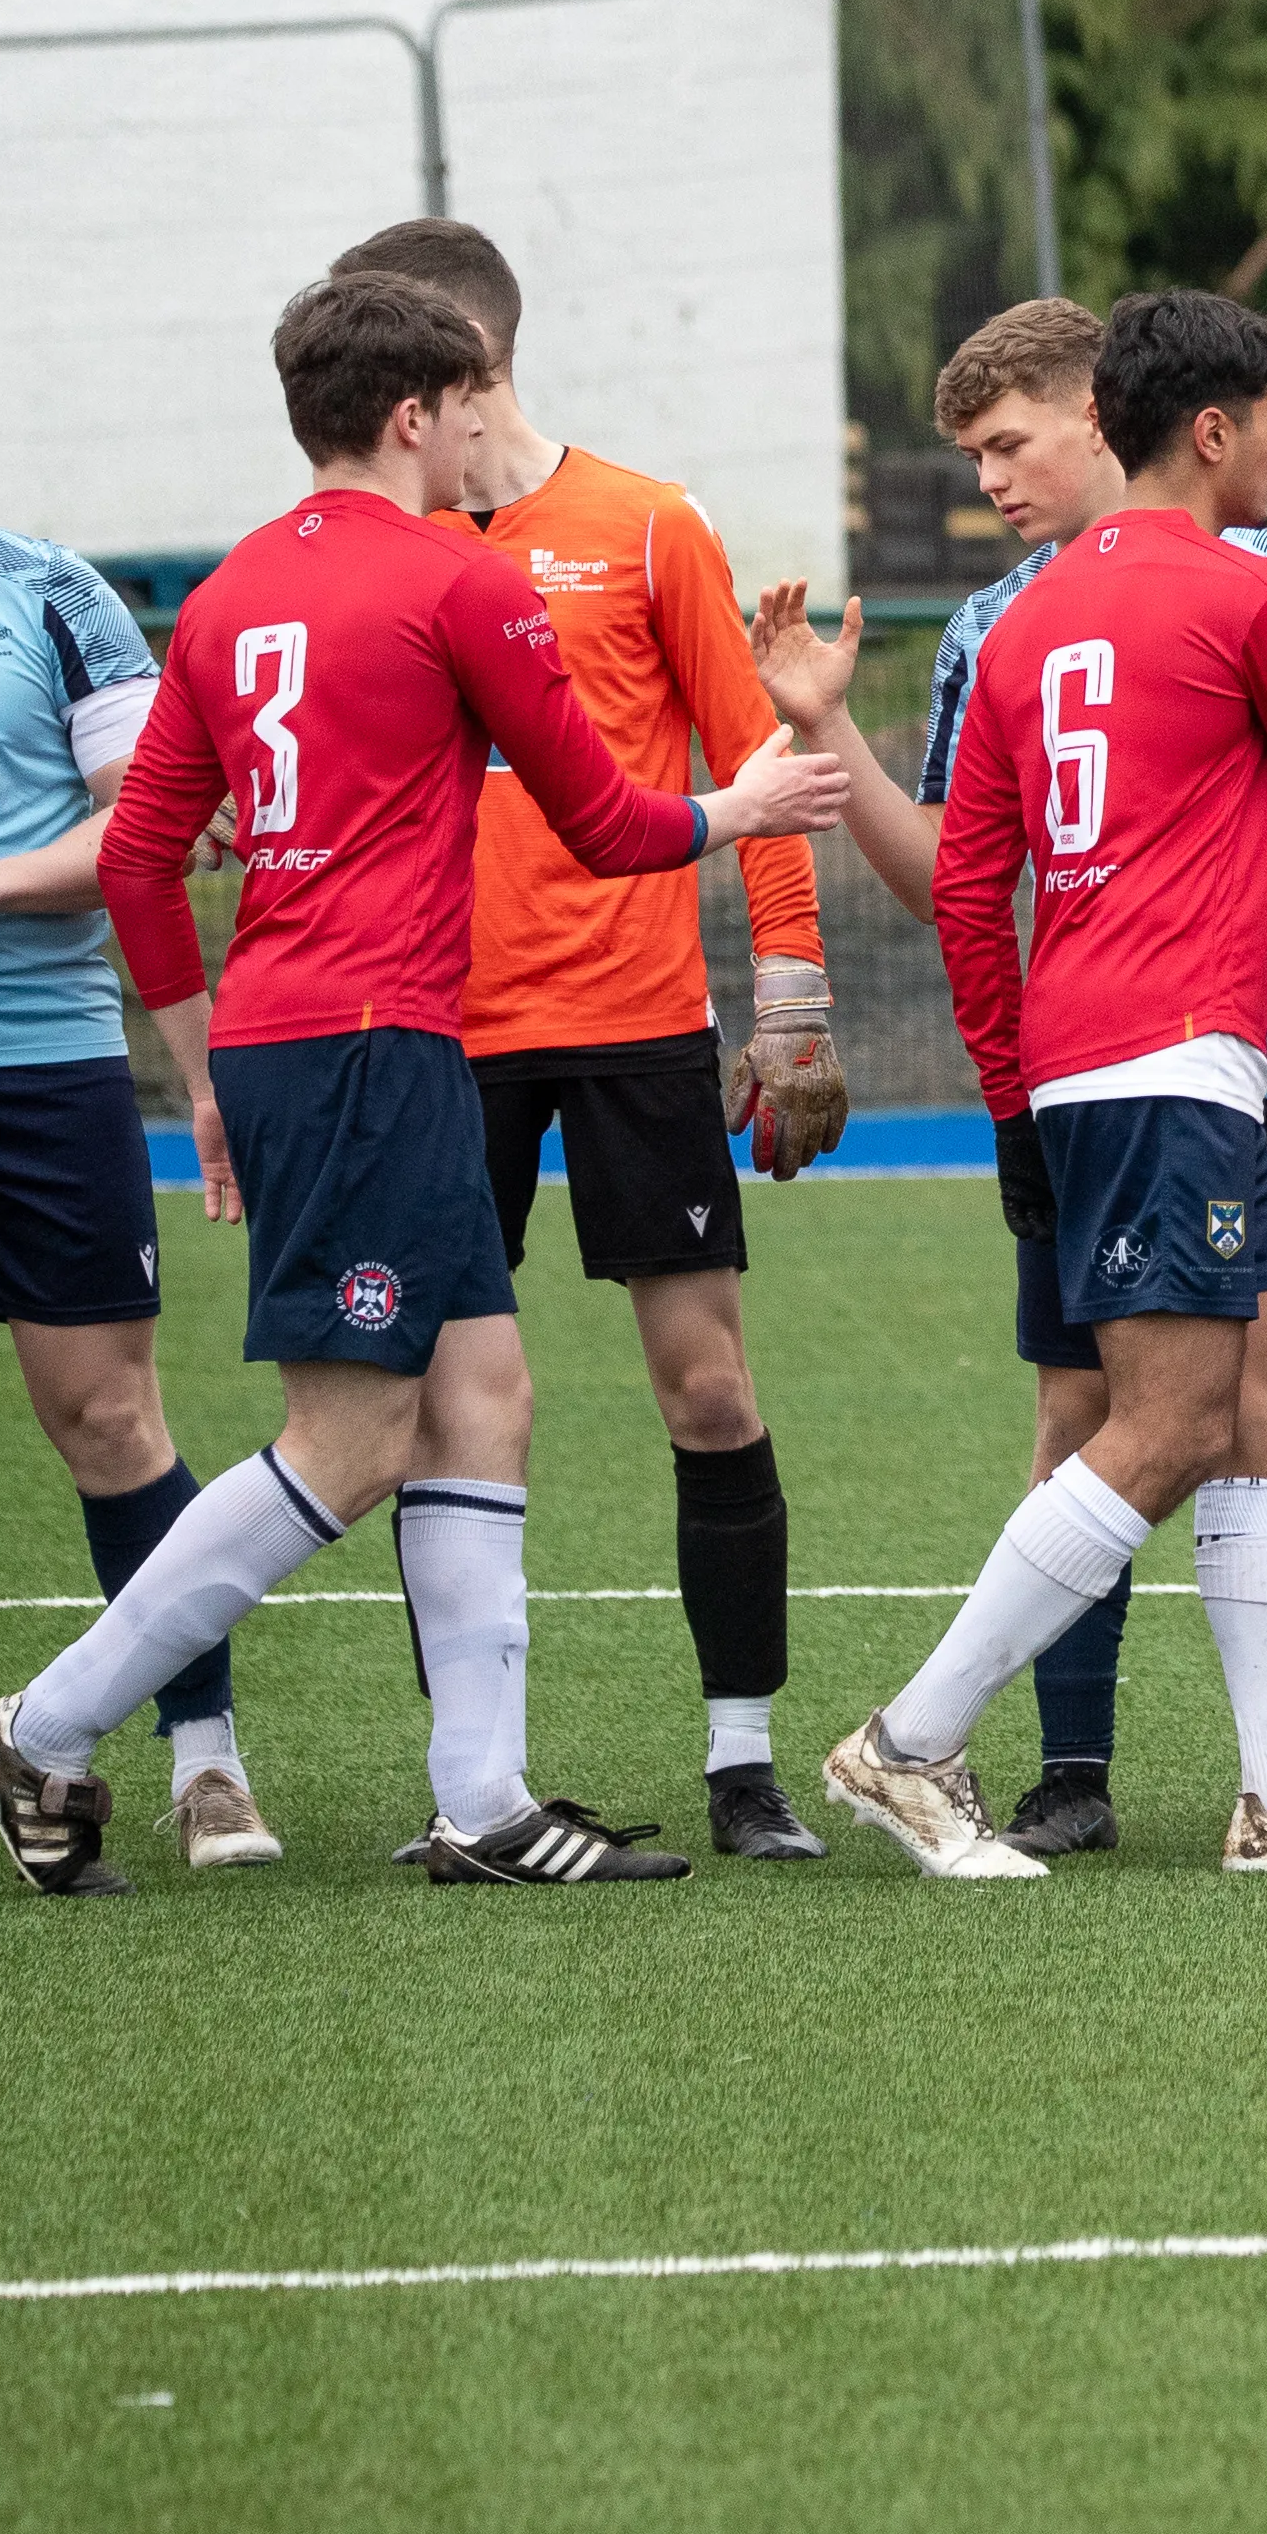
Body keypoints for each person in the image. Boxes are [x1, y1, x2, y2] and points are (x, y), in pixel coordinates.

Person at [0, 268, 848, 1894]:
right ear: (411, 414)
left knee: (482, 1399)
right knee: (353, 1439)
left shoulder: (233, 594)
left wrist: (202, 1072)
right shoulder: (461, 582)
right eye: (466, 410)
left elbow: (146, 863)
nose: (481, 438)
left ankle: (484, 1799)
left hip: (315, 1039)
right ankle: (43, 1722)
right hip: (377, 1046)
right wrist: (746, 806)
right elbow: (606, 824)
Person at [822, 290, 1267, 1879]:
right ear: (1211, 430)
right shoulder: (1255, 595)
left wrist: (1007, 1097)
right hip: (1184, 1059)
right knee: (1175, 1422)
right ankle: (906, 1748)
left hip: (1087, 1064)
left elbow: (972, 895)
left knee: (1260, 1399)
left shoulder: (1021, 623)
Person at [322, 224, 845, 1861]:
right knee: (429, 1411)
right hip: (430, 1032)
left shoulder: (641, 522)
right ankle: (470, 1785)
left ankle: (743, 1763)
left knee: (706, 1386)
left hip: (632, 1025)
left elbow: (750, 760)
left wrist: (794, 998)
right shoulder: (370, 554)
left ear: (474, 358)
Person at [0, 515, 272, 1870]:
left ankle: (204, 1758)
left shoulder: (46, 592)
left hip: (43, 1064)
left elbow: (142, 833)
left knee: (109, 1417)